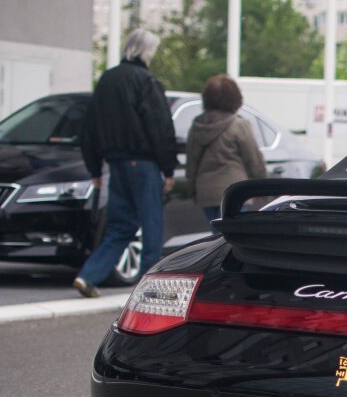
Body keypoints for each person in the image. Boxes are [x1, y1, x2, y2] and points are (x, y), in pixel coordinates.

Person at [74, 29, 177, 298]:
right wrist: (168, 168)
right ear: (146, 52)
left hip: (115, 163)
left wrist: (95, 169)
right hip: (143, 163)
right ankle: (150, 286)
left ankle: (88, 276)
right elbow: (160, 127)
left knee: (120, 225)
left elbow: (89, 130)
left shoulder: (107, 80)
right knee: (151, 222)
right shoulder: (146, 81)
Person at [184, 74, 266, 225]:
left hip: (206, 193)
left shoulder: (197, 127)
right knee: (237, 238)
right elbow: (253, 160)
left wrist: (192, 190)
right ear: (234, 97)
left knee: (218, 236)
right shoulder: (239, 125)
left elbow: (191, 162)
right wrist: (262, 187)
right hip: (235, 193)